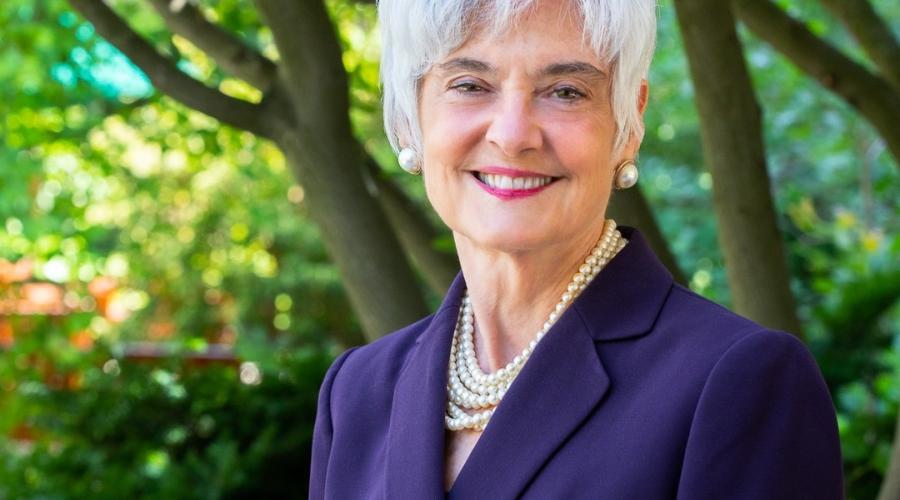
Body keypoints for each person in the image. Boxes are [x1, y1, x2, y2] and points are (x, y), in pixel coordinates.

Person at [309, 0, 844, 498]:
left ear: (628, 125)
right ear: (409, 115)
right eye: (470, 84)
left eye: (565, 91)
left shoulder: (741, 383)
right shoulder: (357, 392)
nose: (514, 134)